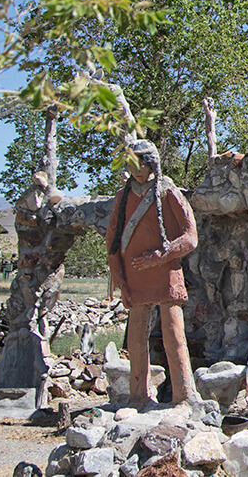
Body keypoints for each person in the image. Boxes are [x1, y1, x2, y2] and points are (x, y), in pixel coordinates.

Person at [106, 138, 200, 406]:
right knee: (135, 340)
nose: (136, 170)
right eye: (131, 164)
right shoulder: (122, 198)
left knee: (174, 334)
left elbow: (190, 237)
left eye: (140, 164)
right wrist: (121, 282)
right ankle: (138, 396)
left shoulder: (167, 191)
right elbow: (113, 243)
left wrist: (161, 255)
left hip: (165, 273)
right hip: (136, 277)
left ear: (152, 164)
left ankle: (184, 396)